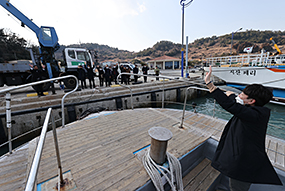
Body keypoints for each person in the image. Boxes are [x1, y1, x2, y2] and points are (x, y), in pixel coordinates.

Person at [204, 66, 282, 191]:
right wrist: (232, 95)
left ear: (252, 101)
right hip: (243, 157)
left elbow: (231, 106)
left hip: (244, 163)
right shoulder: (256, 111)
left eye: (242, 94)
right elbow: (234, 101)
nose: (239, 95)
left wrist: (210, 85)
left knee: (237, 188)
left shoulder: (253, 115)